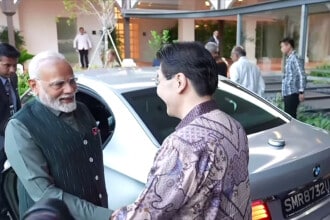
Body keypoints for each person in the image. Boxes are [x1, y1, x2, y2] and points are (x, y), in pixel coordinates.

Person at [111, 42, 251, 219]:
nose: (158, 89)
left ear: (179, 82)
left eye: (158, 80)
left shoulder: (183, 144)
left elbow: (144, 215)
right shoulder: (234, 126)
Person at [4, 51, 112, 220]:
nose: (69, 90)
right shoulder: (20, 127)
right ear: (34, 86)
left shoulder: (82, 110)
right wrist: (107, 216)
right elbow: (44, 193)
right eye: (58, 84)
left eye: (72, 81)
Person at [0, 42, 21, 218]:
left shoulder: (12, 78)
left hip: (13, 136)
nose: (12, 69)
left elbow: (16, 104)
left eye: (15, 65)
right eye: (7, 65)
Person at [280, 37, 307, 119]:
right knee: (288, 116)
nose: (281, 49)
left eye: (282, 46)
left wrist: (301, 91)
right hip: (288, 92)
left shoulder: (295, 58)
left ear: (288, 46)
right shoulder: (290, 58)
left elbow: (301, 74)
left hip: (292, 92)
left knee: (291, 117)